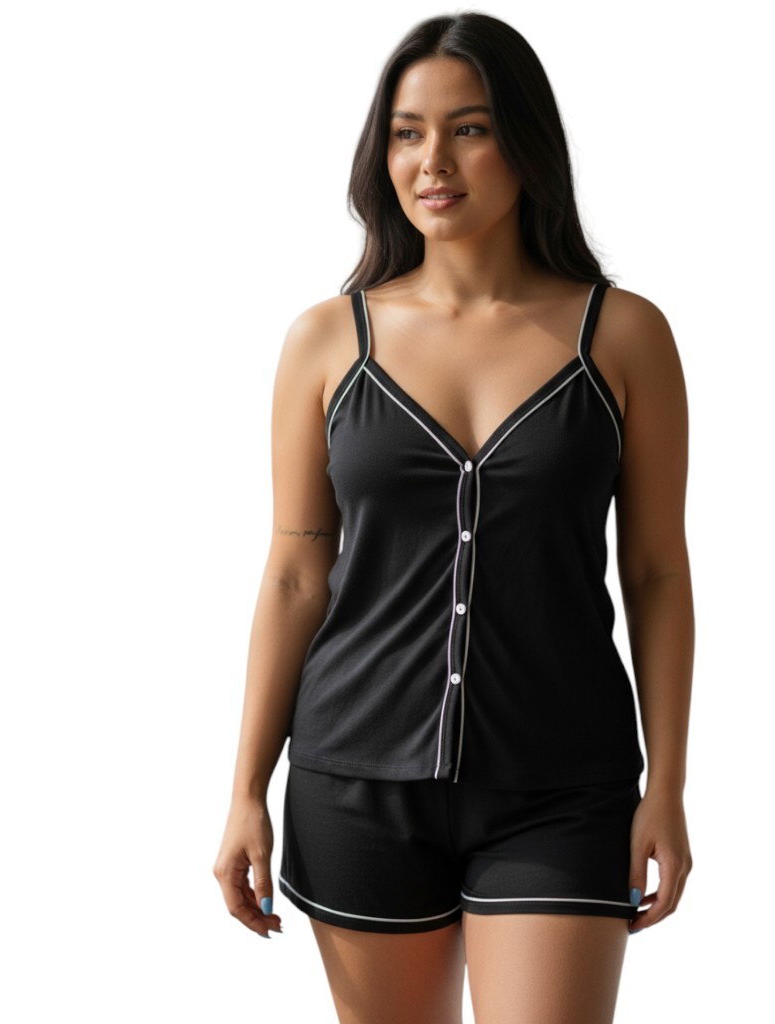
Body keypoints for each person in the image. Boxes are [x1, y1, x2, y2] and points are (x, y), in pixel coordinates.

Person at [213, 10, 694, 1023]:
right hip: (354, 780)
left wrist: (668, 784)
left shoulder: (623, 336)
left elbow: (655, 571)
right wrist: (246, 787)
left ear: (525, 143)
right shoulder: (326, 342)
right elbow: (296, 573)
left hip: (564, 783)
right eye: (406, 132)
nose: (432, 160)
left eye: (468, 128)